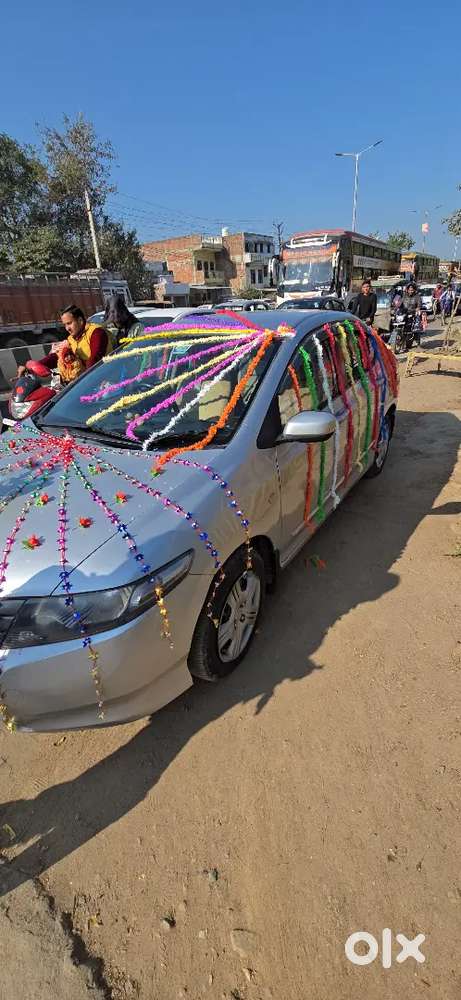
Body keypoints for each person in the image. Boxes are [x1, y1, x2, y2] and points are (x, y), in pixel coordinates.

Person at [17, 305, 110, 384]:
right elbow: (56, 357)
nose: (67, 328)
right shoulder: (71, 339)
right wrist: (31, 367)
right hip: (88, 380)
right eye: (65, 325)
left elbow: (95, 359)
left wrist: (81, 382)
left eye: (69, 323)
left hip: (107, 378)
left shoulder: (96, 332)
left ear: (80, 320)